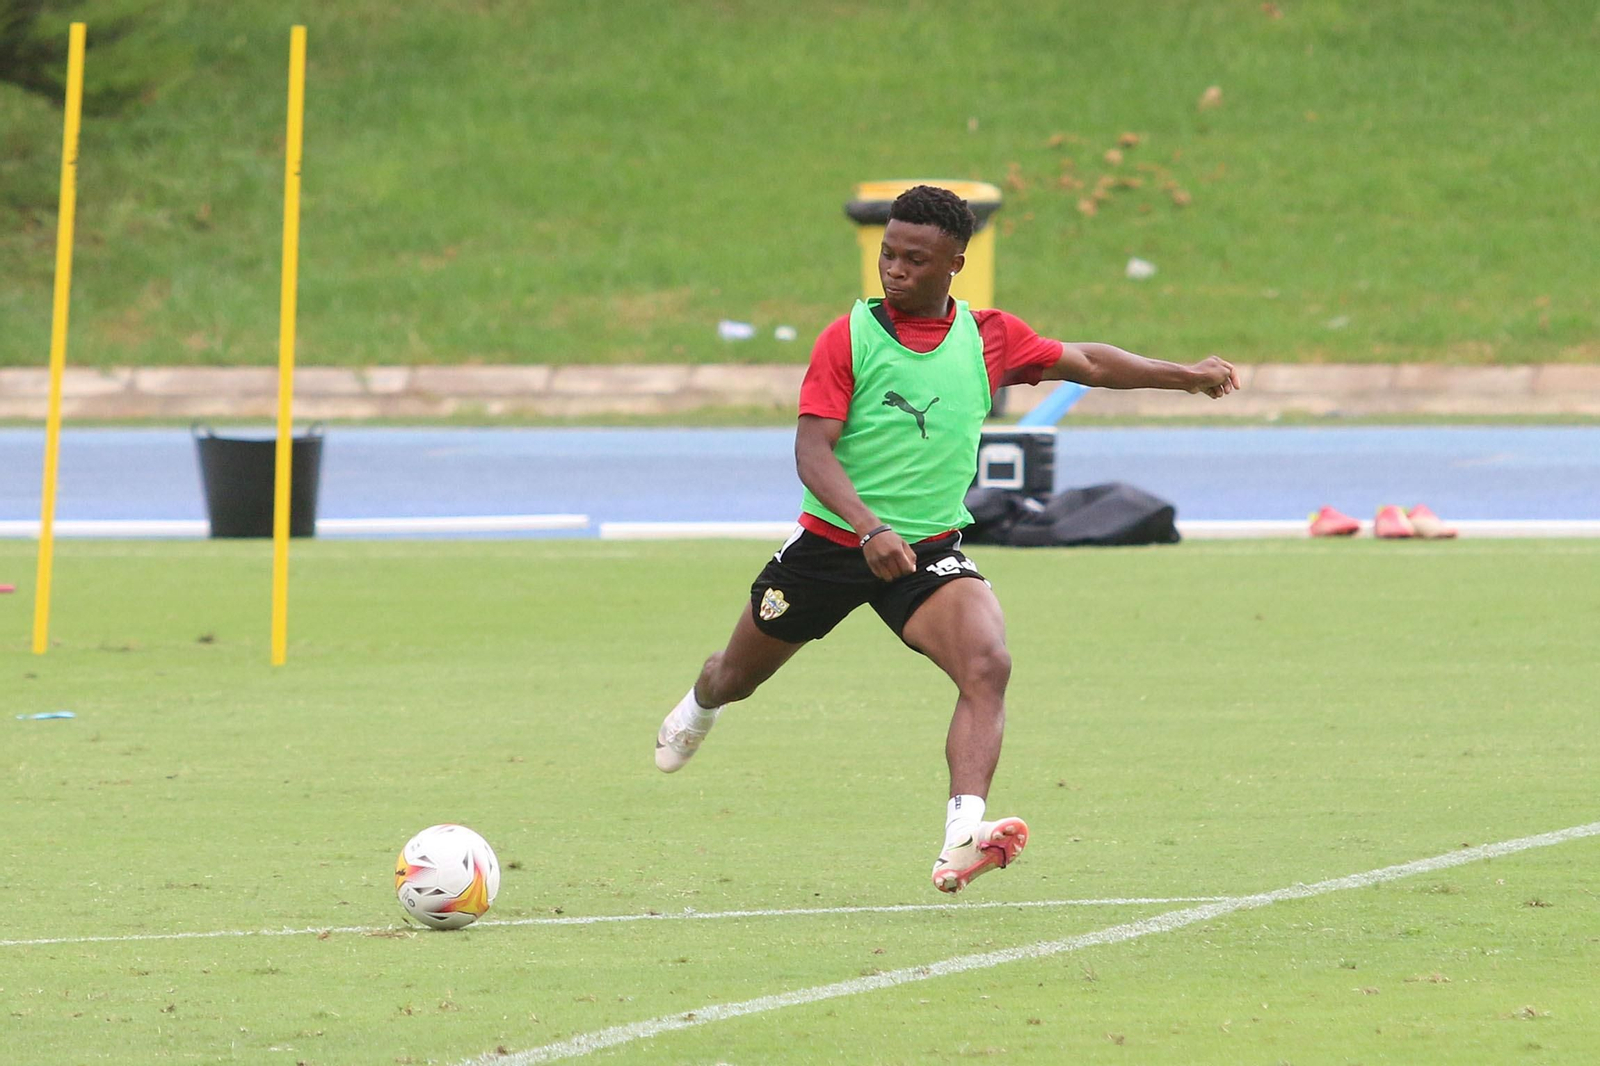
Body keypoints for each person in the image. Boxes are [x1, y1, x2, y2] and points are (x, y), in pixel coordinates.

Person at [654, 184, 1240, 894]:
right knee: (736, 677)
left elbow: (1085, 362)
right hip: (833, 545)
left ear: (955, 264)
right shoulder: (848, 338)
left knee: (988, 663)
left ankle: (963, 833)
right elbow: (813, 452)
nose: (894, 269)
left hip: (926, 551)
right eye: (888, 254)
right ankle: (698, 708)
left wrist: (1185, 377)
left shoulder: (988, 335)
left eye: (914, 258)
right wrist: (869, 528)